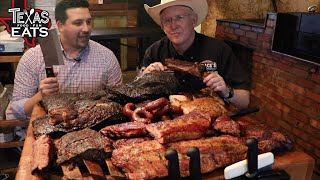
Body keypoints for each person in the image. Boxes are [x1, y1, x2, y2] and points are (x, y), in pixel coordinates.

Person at [9, 0, 122, 119]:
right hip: (48, 129)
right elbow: (18, 112)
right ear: (60, 26)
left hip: (93, 129)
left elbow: (119, 103)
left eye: (88, 22)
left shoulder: (106, 57)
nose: (86, 29)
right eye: (78, 23)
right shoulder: (35, 57)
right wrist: (40, 95)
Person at [141, 0, 251, 109]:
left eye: (179, 17)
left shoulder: (219, 50)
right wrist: (144, 79)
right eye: (167, 20)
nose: (173, 26)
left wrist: (227, 91)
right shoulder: (154, 52)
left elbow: (244, 101)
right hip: (167, 120)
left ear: (193, 20)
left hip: (209, 119)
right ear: (162, 27)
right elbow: (139, 97)